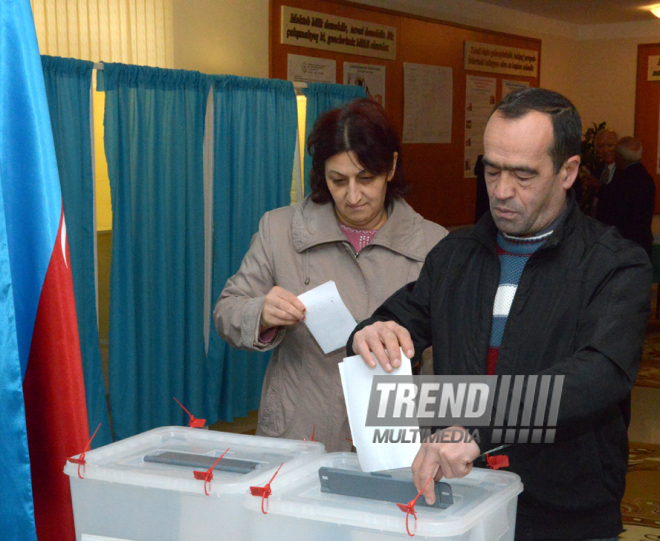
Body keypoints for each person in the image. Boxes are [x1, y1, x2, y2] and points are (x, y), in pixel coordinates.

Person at [348, 88, 651, 540]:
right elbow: (403, 315)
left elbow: (598, 373)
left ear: (568, 171)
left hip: (565, 510)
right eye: (492, 170)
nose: (502, 191)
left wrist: (480, 428)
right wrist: (372, 331)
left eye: (524, 175)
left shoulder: (614, 264)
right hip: (462, 500)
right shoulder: (455, 253)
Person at [214, 98, 447, 452]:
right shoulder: (280, 230)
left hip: (390, 434)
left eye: (366, 178)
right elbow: (227, 311)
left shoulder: (434, 245)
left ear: (391, 168)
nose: (352, 196)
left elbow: (453, 353)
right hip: (300, 427)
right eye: (338, 180)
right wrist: (260, 313)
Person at [595, 136, 655, 259]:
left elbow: (608, 216)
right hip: (643, 244)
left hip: (622, 246)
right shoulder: (647, 178)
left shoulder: (621, 182)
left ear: (620, 158)